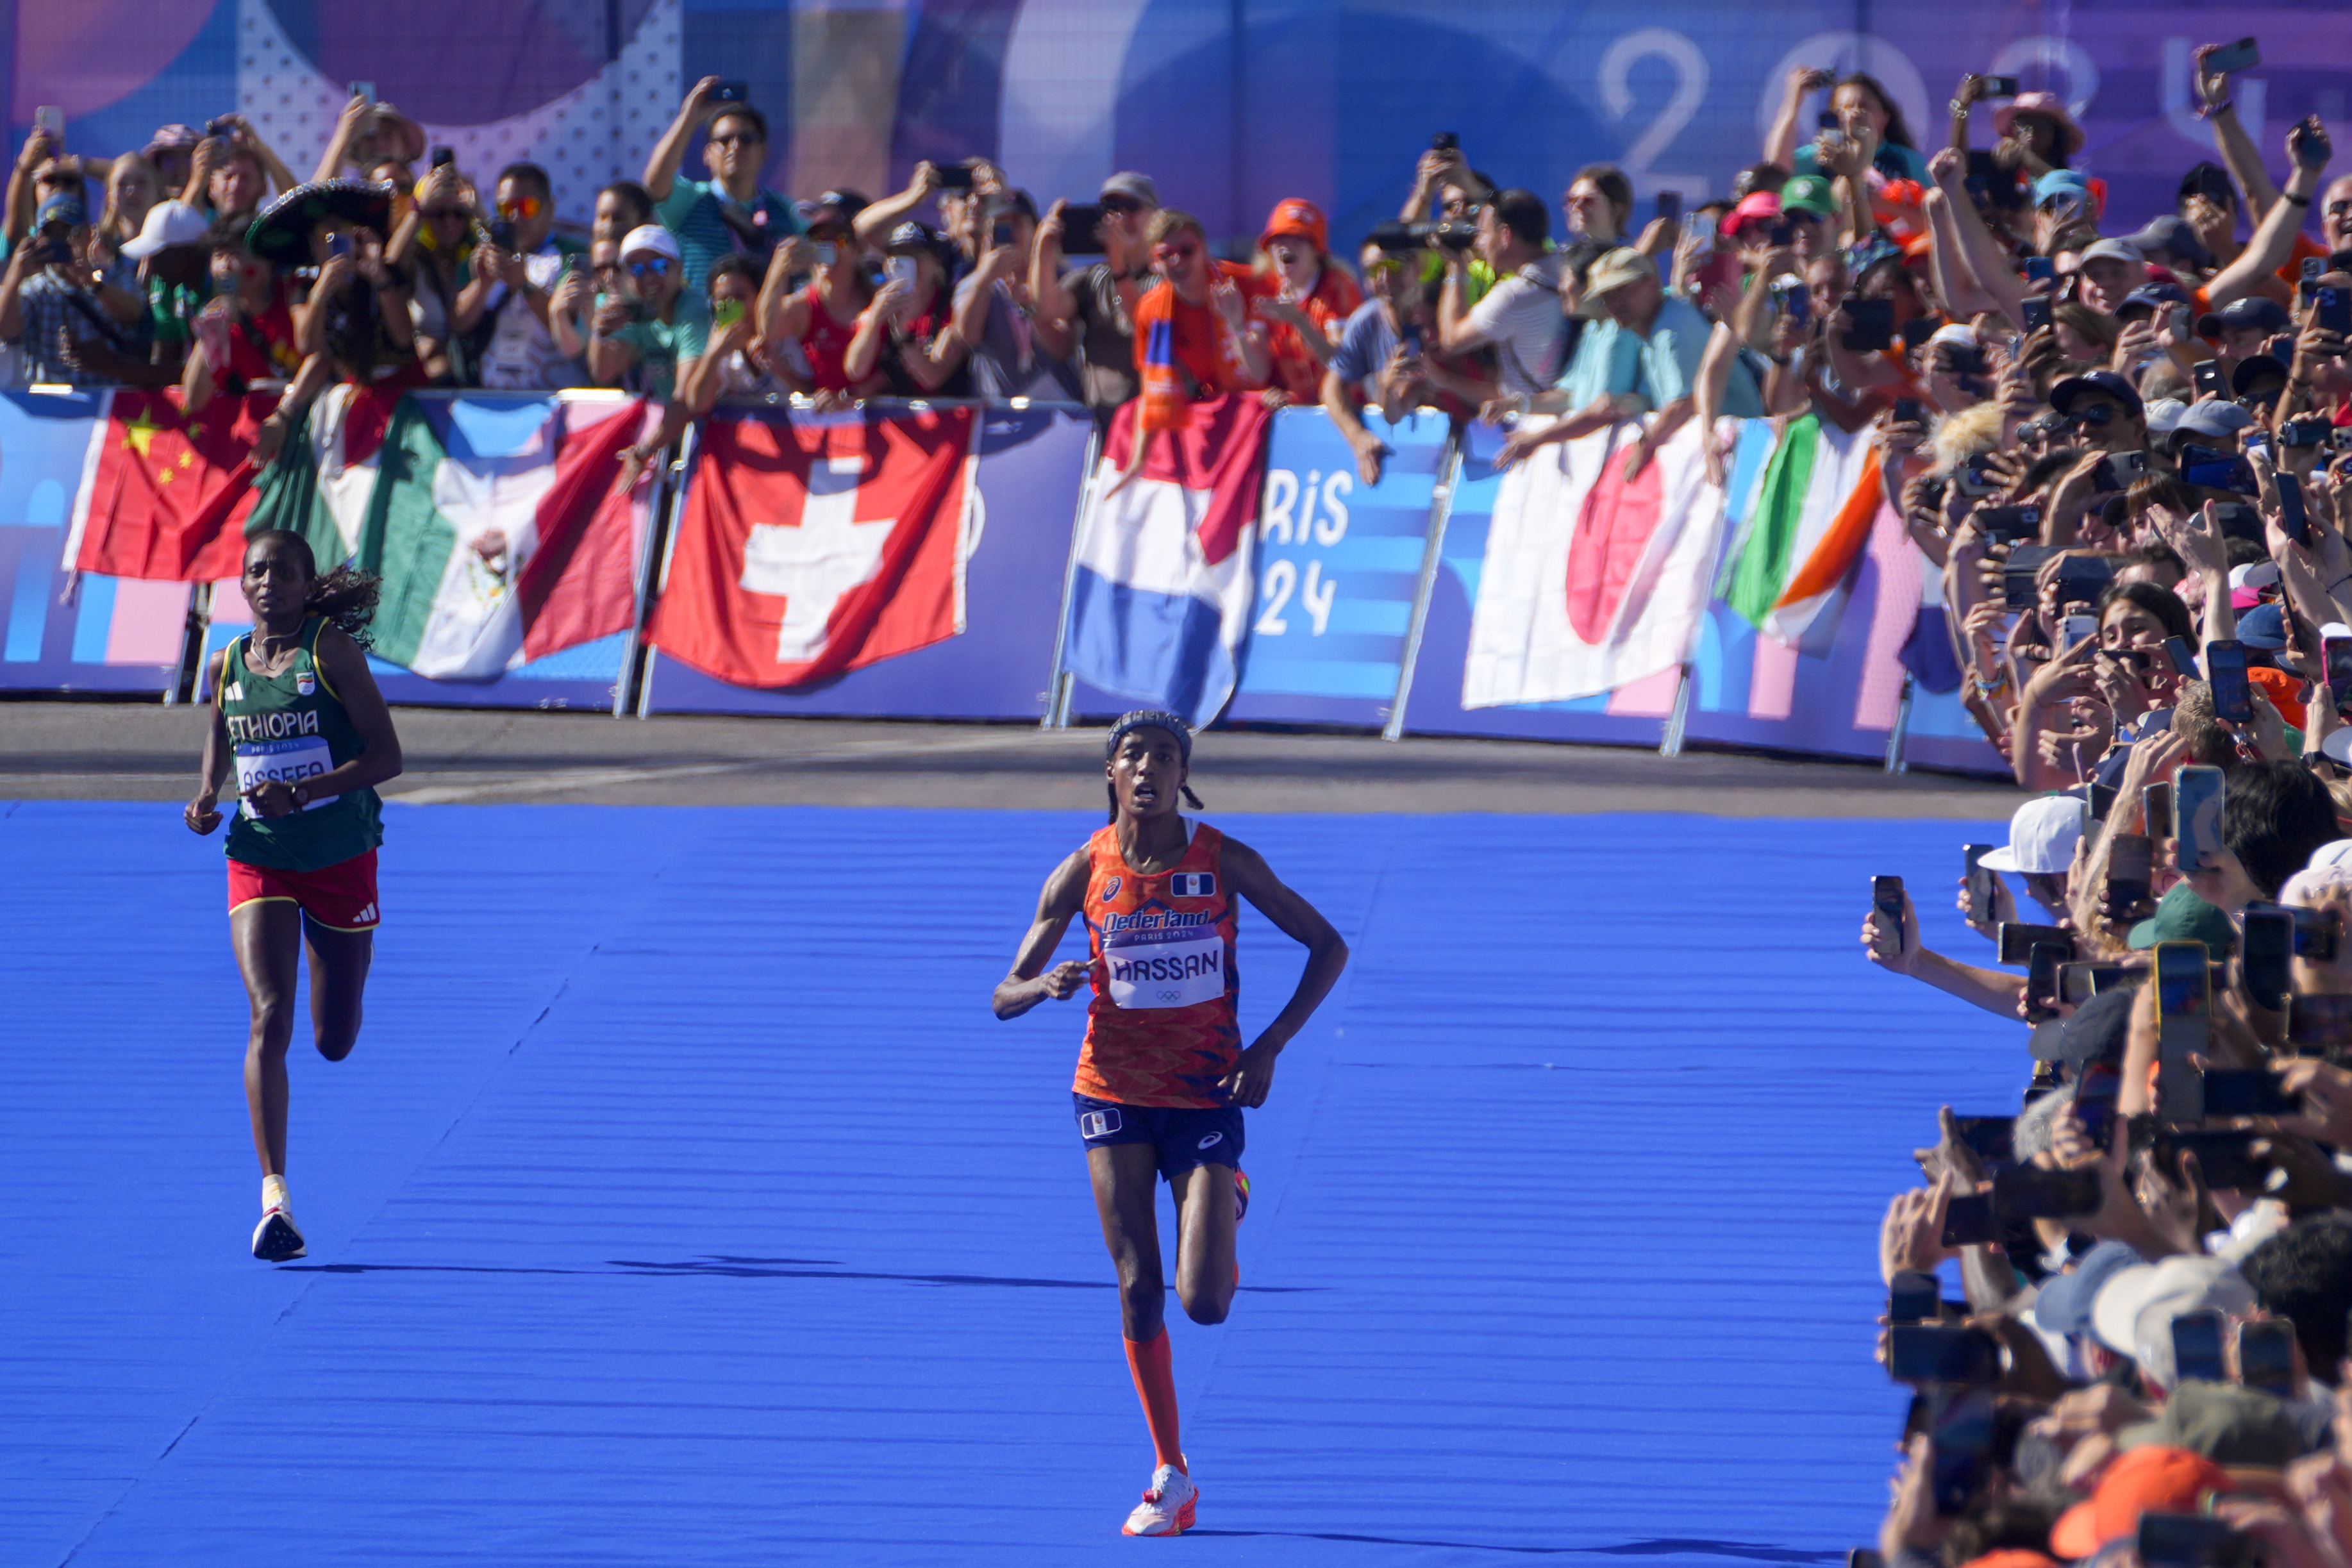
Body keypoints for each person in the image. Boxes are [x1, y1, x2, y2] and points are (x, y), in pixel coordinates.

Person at [991, 712, 1347, 1537]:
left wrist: (1271, 1047)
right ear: (1110, 773)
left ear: (1180, 775)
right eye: (1133, 754)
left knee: (1205, 1303)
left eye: (1164, 756)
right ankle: (1171, 1473)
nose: (1147, 766)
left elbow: (1327, 944)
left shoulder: (1224, 860)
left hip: (1205, 1092)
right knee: (1135, 1285)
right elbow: (1002, 992)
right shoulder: (1082, 870)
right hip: (1110, 1090)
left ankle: (1230, 1193)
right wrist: (1043, 988)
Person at [184, 530, 404, 1263]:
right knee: (267, 1012)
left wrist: (304, 790)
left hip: (339, 856)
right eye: (255, 570)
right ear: (241, 587)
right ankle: (275, 1197)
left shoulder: (328, 650)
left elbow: (388, 756)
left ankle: (338, 964)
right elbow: (220, 733)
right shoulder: (225, 664)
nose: (267, 579)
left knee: (332, 1039)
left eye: (281, 569)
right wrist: (207, 792)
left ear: (308, 584)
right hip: (260, 854)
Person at [643, 76, 798, 292]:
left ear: (764, 152)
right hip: (706, 323)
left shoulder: (784, 209)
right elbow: (655, 182)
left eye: (746, 139)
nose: (735, 146)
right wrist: (689, 117)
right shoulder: (690, 201)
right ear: (707, 154)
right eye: (724, 140)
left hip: (764, 322)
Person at [1031, 172, 1162, 417]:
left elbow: (1143, 323)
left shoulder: (1165, 277)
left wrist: (1118, 265)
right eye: (1111, 208)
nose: (1121, 217)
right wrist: (1044, 249)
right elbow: (1048, 309)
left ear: (1154, 217)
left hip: (1151, 423)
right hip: (1101, 420)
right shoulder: (1092, 278)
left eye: (1131, 207)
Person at [1433, 188, 1564, 401]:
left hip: (1529, 420)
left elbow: (1451, 340)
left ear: (1505, 235)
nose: (1478, 244)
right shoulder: (1568, 271)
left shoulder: (1514, 296)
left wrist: (1455, 268)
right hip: (1560, 407)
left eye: (1484, 233)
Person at [755, 192, 880, 405]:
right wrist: (778, 271)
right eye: (818, 238)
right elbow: (768, 330)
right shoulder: (804, 305)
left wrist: (853, 396)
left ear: (858, 248)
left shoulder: (877, 299)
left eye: (838, 240)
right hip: (828, 425)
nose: (826, 247)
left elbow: (895, 369)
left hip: (877, 423)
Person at [473, 162, 588, 390]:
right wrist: (482, 284)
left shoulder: (575, 256)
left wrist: (524, 286)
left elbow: (576, 332)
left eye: (527, 206)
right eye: (506, 208)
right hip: (492, 399)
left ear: (550, 208)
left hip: (557, 401)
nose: (516, 217)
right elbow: (457, 324)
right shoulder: (485, 255)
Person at [1249, 198, 1360, 405]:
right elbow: (1258, 373)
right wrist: (1235, 326)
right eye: (1278, 238)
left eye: (1298, 239)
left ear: (1317, 250)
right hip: (1296, 410)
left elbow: (1342, 366)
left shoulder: (1339, 287)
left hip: (1343, 408)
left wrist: (1300, 321)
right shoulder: (1264, 286)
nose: (1285, 246)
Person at [846, 221, 971, 397]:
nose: (910, 264)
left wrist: (903, 334)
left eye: (916, 255)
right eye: (899, 256)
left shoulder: (951, 307)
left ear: (936, 263)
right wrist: (875, 321)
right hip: (898, 419)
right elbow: (855, 370)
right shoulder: (881, 306)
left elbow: (933, 378)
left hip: (948, 415)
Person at [588, 224, 710, 401]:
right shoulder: (639, 312)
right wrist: (599, 333)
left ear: (680, 268)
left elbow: (686, 397)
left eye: (659, 266)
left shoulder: (695, 310)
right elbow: (605, 373)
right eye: (636, 269)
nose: (647, 277)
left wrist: (660, 431)